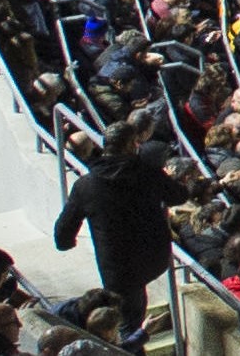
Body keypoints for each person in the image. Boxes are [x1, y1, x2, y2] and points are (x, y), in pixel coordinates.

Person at [51, 124, 189, 325]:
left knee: (126, 318)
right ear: (132, 145)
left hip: (117, 266)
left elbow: (65, 228)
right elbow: (178, 195)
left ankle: (133, 337)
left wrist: (65, 242)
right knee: (132, 310)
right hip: (153, 256)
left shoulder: (86, 185)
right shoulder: (148, 173)